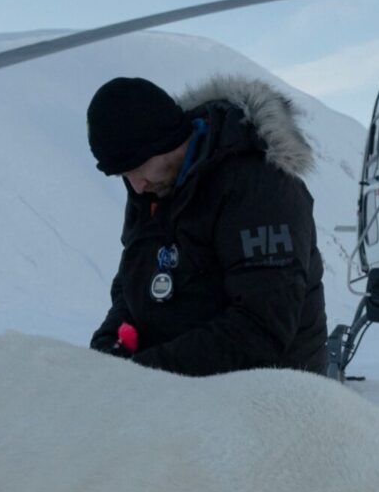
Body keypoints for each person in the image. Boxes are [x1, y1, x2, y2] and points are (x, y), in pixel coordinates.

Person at [86, 75, 329, 376]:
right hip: (180, 391)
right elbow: (133, 286)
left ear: (166, 141)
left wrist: (145, 374)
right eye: (124, 175)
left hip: (268, 400)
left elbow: (262, 325)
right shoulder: (153, 188)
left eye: (137, 169)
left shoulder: (258, 186)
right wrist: (109, 344)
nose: (135, 186)